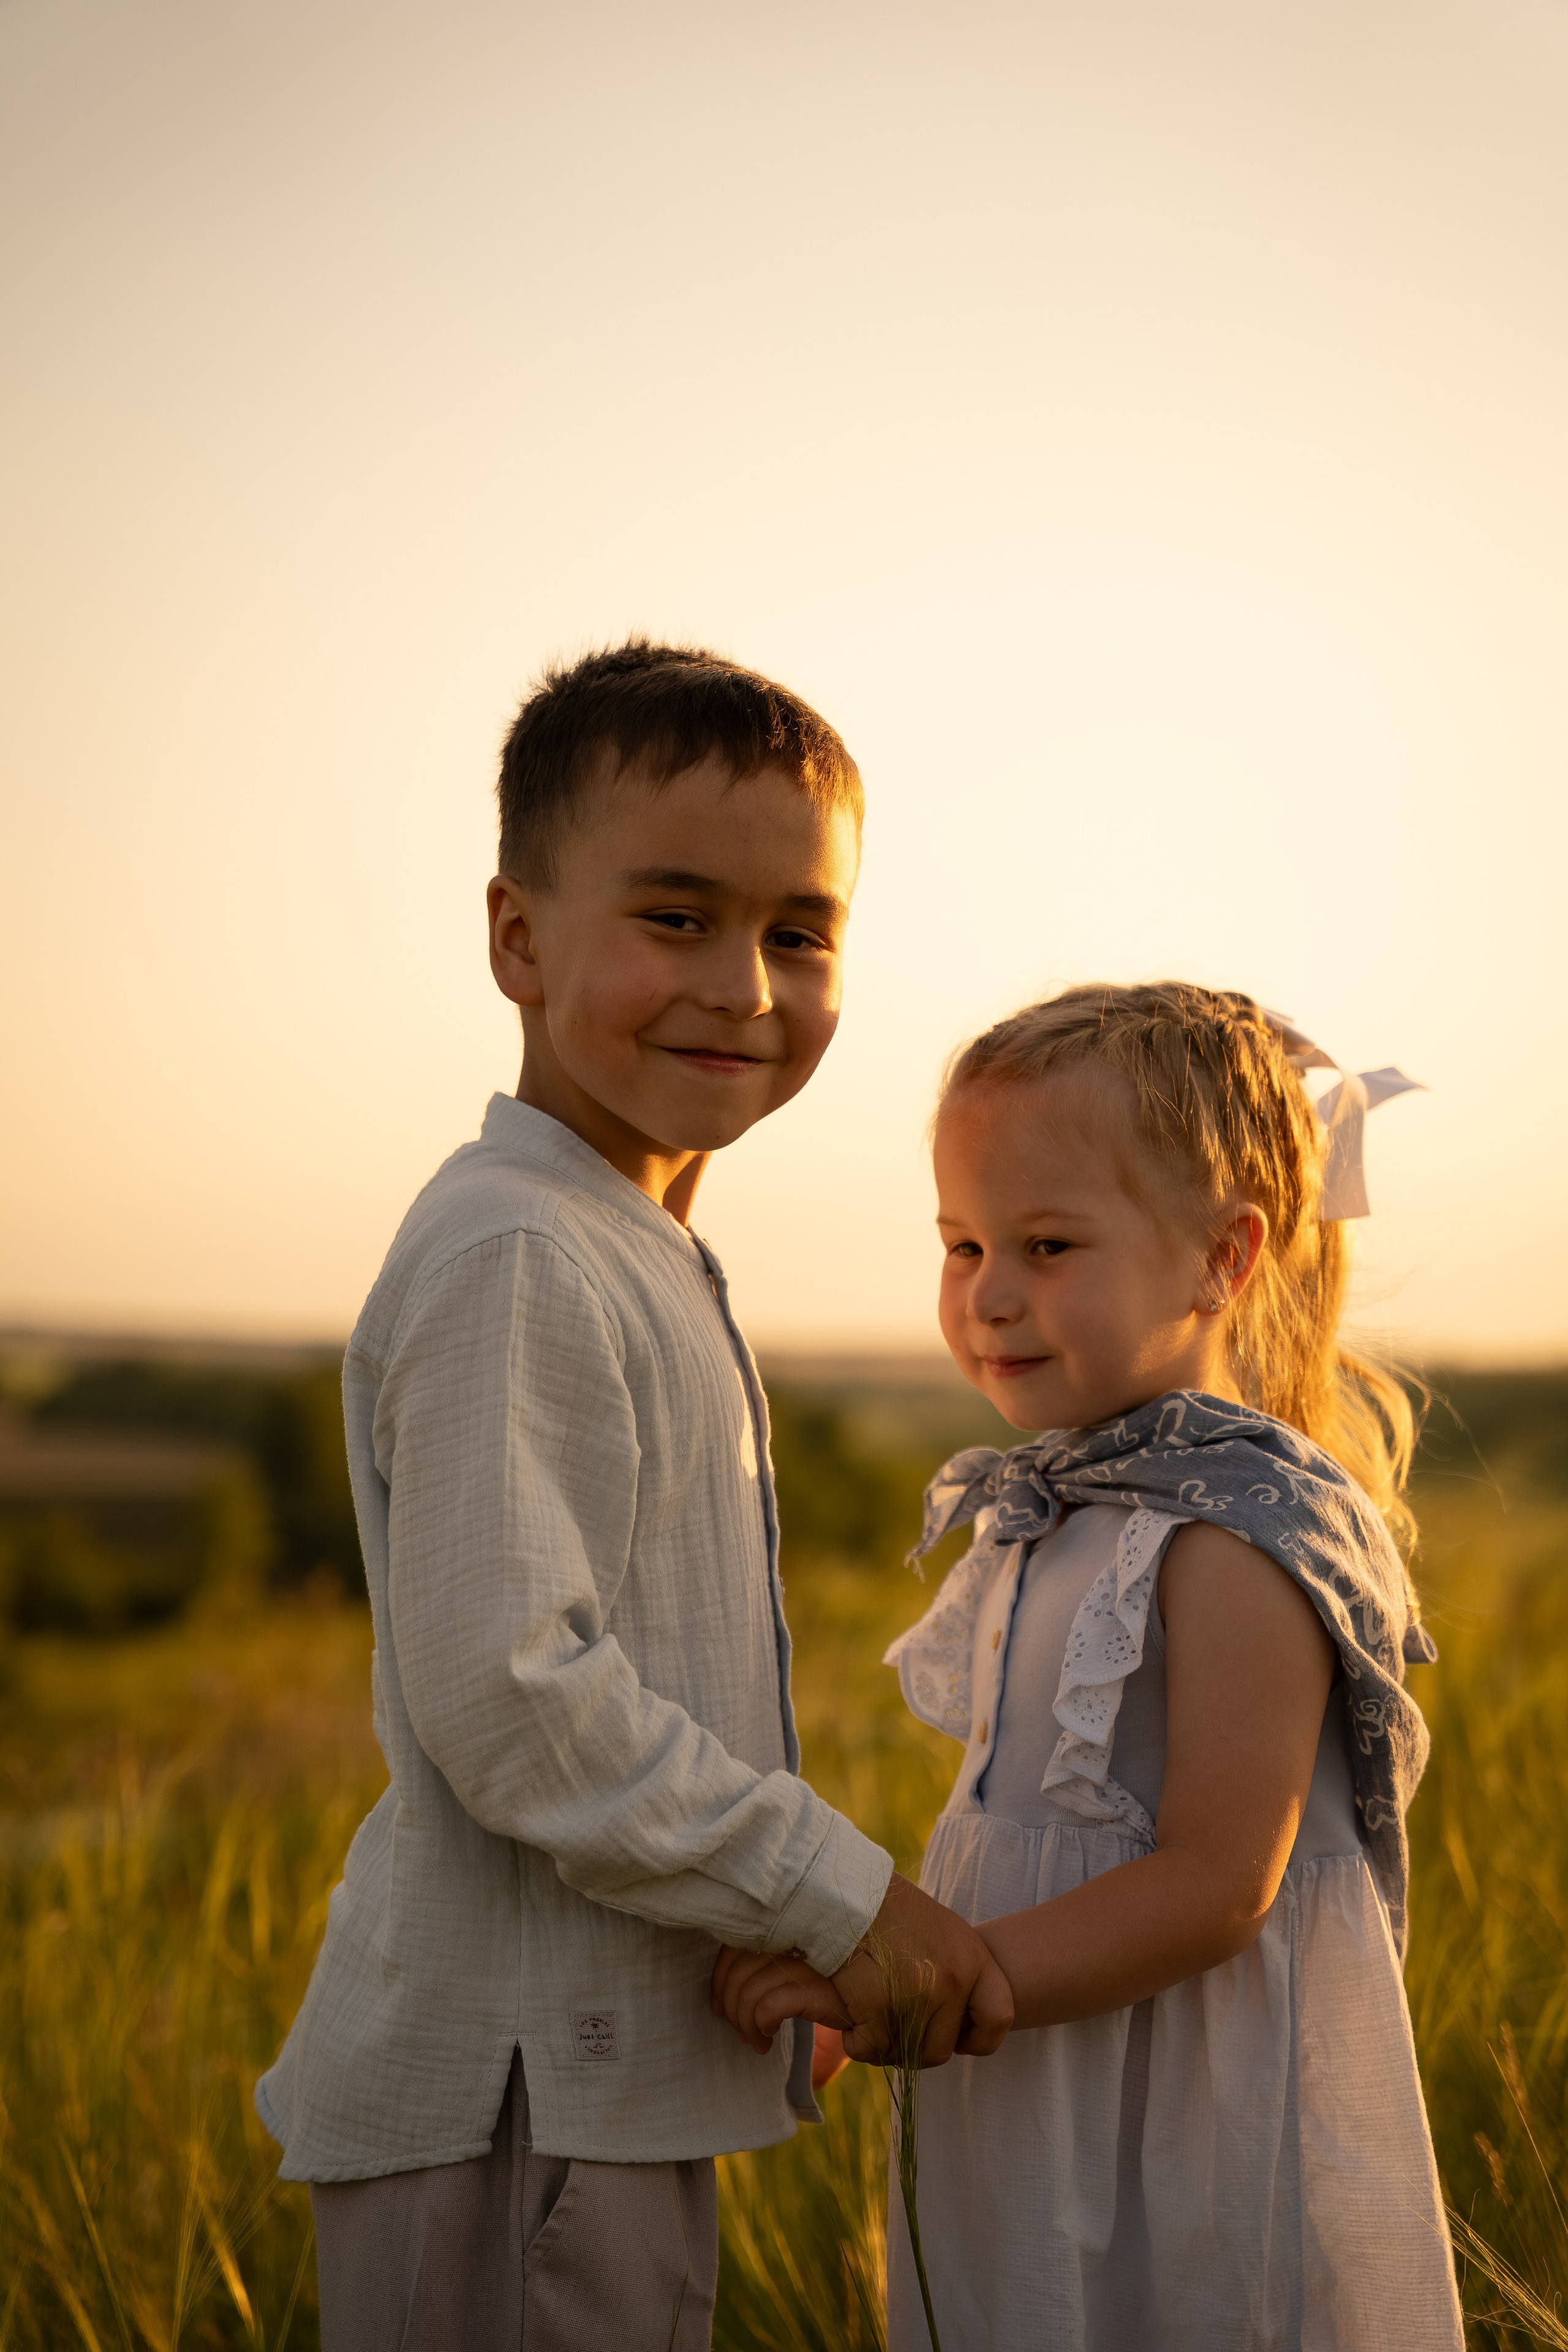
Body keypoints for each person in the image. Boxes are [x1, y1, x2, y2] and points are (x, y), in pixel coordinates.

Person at [254, 639, 1011, 2352]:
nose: (745, 984)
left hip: (598, 2088)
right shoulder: (521, 1249)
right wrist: (840, 1895)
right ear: (518, 937)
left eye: (800, 932)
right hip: (520, 2111)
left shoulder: (624, 1237)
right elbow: (517, 1700)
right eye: (674, 917)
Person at [714, 981, 1463, 2351]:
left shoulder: (1231, 1535)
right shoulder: (1069, 1505)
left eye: (1045, 1245)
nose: (987, 1294)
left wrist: (943, 1977)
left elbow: (1214, 1885)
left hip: (1162, 2110)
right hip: (1039, 2065)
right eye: (959, 1244)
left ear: (1221, 1260)